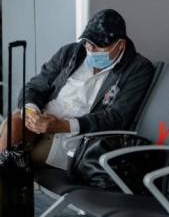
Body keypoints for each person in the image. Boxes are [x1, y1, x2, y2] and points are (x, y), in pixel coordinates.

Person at [0, 9, 155, 169]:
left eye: (97, 46)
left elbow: (116, 117)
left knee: (12, 160)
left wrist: (63, 125)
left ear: (119, 44)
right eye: (88, 42)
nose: (90, 49)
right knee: (15, 124)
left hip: (73, 137)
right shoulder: (71, 52)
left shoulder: (137, 69)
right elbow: (35, 86)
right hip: (41, 119)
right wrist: (31, 110)